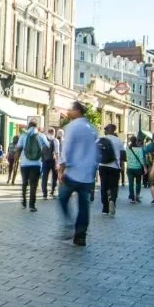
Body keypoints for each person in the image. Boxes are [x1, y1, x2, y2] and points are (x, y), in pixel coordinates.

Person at [58, 101, 99, 247]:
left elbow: (66, 149)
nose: (68, 112)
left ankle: (69, 223)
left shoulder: (72, 127)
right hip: (87, 174)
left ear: (77, 111)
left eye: (70, 109)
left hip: (73, 172)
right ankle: (80, 237)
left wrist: (62, 167)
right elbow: (96, 152)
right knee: (84, 205)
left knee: (62, 197)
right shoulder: (92, 128)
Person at [14, 120, 49, 212]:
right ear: (37, 127)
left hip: (24, 164)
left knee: (24, 183)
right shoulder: (41, 136)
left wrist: (15, 161)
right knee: (34, 185)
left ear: (28, 126)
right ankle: (32, 205)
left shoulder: (23, 135)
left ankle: (24, 201)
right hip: (36, 164)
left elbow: (18, 149)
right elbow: (47, 147)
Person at [98, 124, 125, 216]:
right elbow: (123, 156)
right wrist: (121, 166)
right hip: (114, 166)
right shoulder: (119, 141)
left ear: (106, 130)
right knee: (113, 187)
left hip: (102, 165)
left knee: (103, 186)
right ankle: (112, 200)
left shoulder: (100, 140)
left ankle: (105, 208)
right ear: (114, 130)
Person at [125, 136, 147, 203]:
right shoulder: (139, 149)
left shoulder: (127, 149)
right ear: (136, 141)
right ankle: (137, 196)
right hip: (138, 168)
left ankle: (132, 198)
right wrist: (145, 168)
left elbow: (126, 157)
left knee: (131, 184)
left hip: (129, 168)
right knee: (138, 183)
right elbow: (141, 159)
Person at [41, 127, 60, 199]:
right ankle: (52, 191)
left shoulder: (44, 140)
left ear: (48, 132)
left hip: (45, 161)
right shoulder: (55, 141)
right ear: (54, 133)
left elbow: (41, 150)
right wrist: (57, 163)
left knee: (44, 177)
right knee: (54, 177)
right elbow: (57, 152)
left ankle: (44, 194)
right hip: (53, 161)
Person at [143, 132, 154, 204]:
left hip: (151, 167)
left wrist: (145, 167)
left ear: (152, 138)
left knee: (153, 184)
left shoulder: (148, 146)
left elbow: (144, 157)